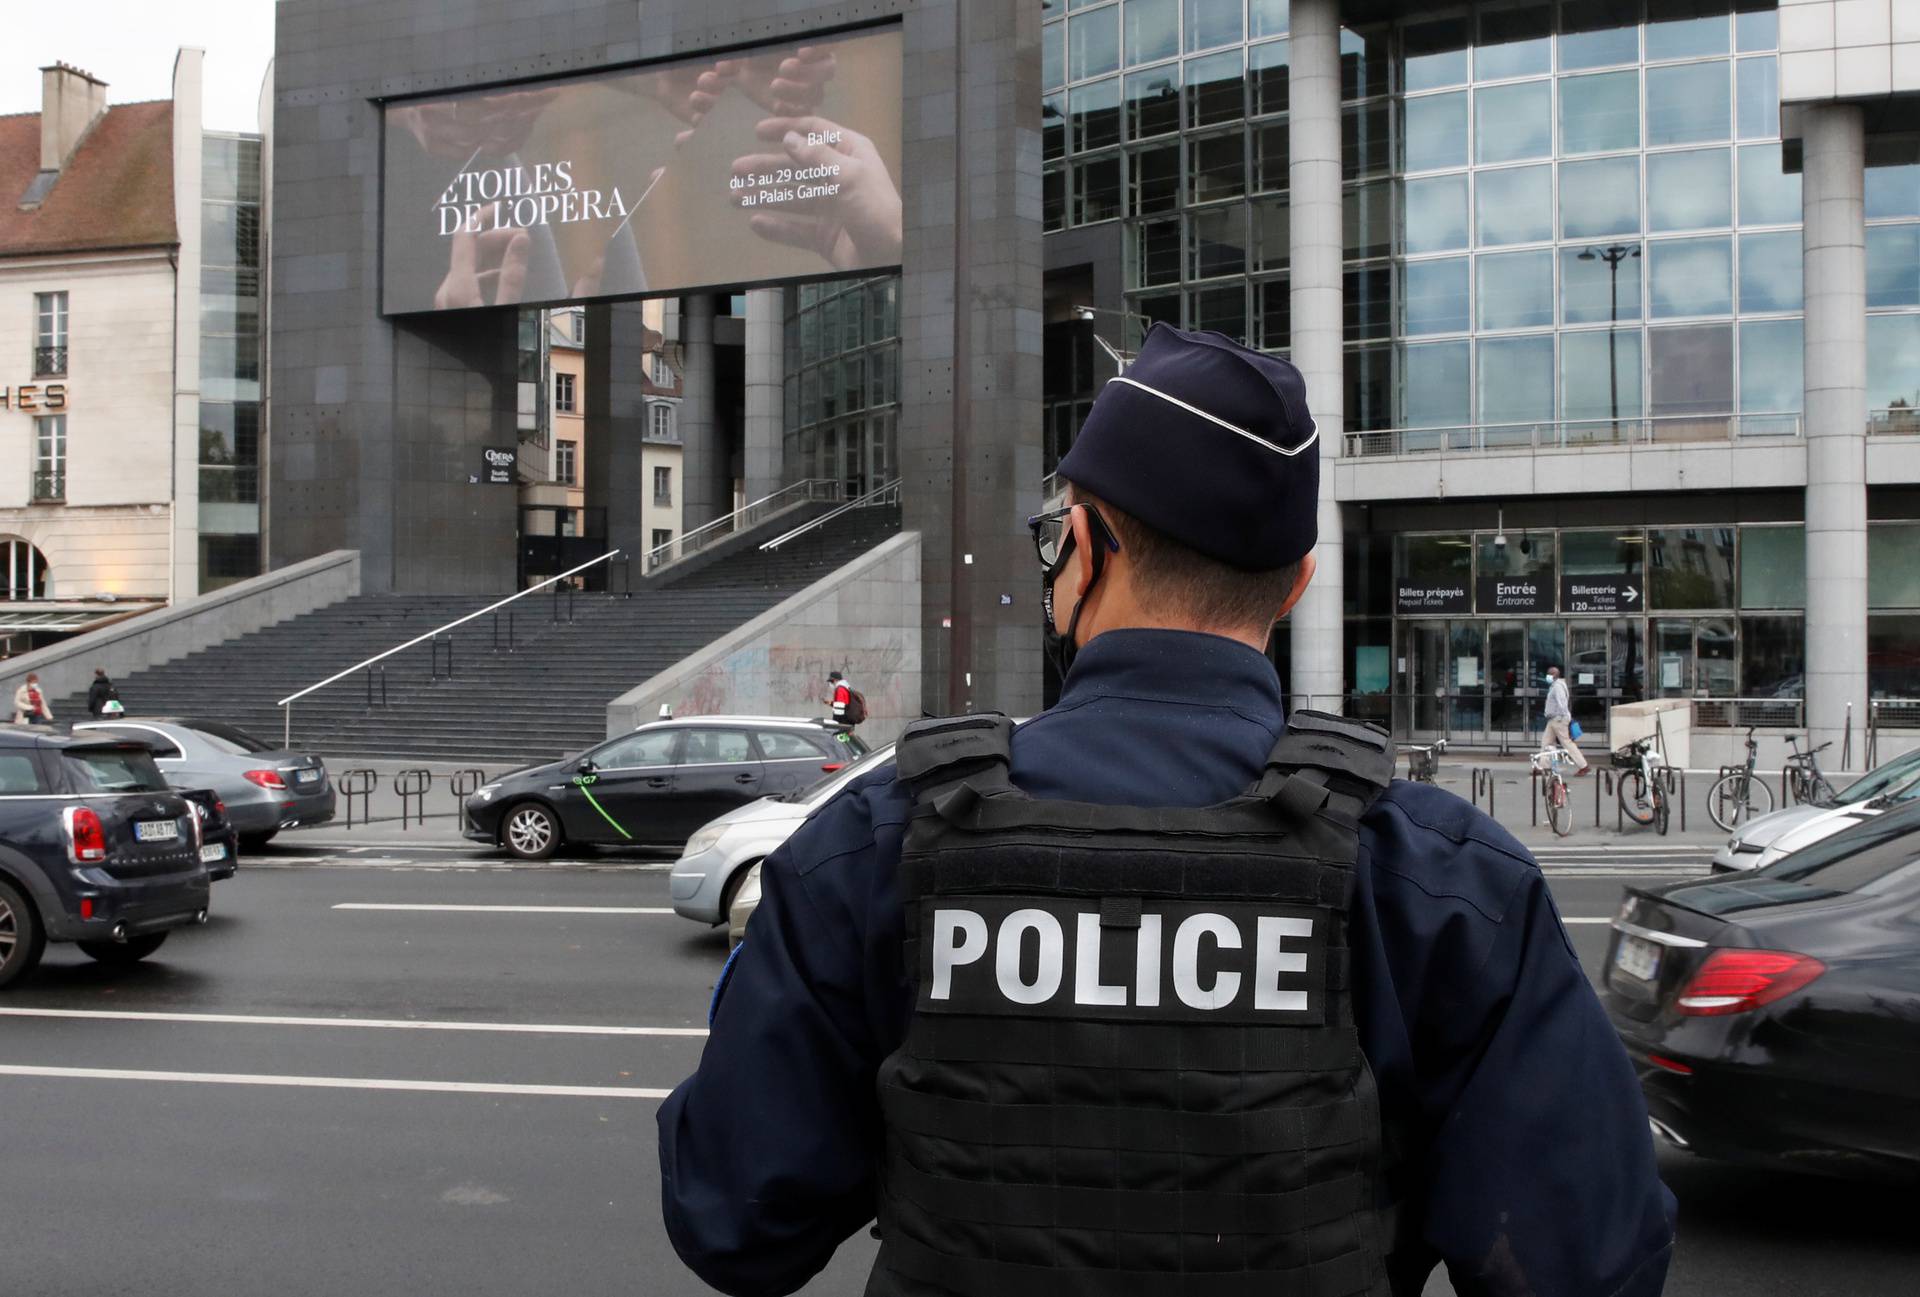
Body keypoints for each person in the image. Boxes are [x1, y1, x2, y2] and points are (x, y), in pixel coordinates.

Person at [659, 324, 1674, 1296]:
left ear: (1088, 547)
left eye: (1058, 531)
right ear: (1297, 586)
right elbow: (1588, 1260)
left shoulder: (882, 836)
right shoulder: (1442, 879)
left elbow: (735, 1220)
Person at [1542, 664, 1589, 774]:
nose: (1547, 676)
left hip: (1558, 719)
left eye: (1549, 674)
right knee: (1546, 742)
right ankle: (1543, 766)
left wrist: (1563, 718)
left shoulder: (1558, 686)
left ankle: (1583, 765)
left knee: (1566, 743)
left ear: (1554, 675)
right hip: (1553, 720)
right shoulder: (1556, 685)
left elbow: (1562, 703)